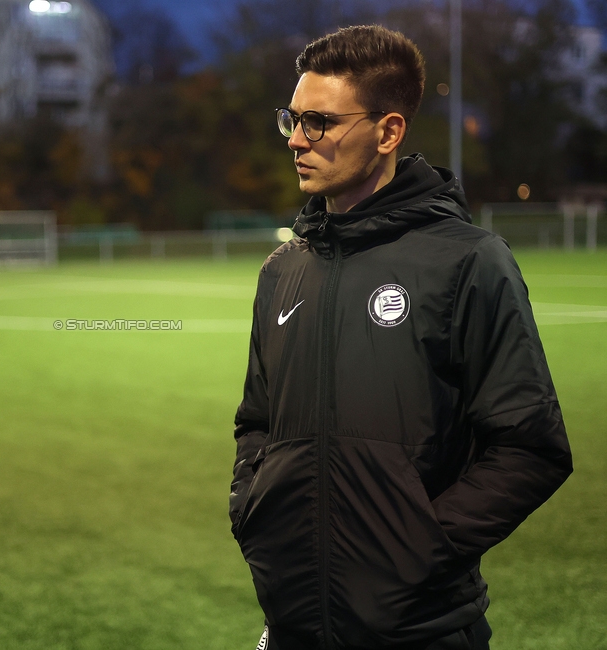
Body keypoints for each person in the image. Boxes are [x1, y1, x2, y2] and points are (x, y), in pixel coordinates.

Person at [230, 25, 572, 650]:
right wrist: (255, 510)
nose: (297, 141)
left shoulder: (468, 261)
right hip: (293, 623)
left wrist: (419, 548)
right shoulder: (283, 269)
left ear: (388, 131)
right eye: (291, 119)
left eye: (320, 123)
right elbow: (256, 420)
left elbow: (531, 446)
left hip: (422, 630)